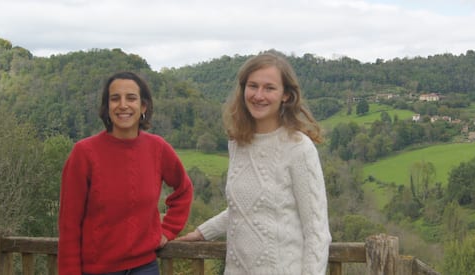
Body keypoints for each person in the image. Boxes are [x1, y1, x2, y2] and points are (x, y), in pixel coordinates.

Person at [176, 52, 332, 274]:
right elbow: (246, 207)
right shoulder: (238, 143)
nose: (259, 95)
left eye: (269, 88)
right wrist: (203, 232)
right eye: (253, 86)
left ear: (286, 95)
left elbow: (317, 231)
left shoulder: (299, 148)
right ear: (243, 90)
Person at [58, 71, 193, 275]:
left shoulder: (158, 148)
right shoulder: (84, 153)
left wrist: (168, 230)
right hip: (98, 270)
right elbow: (69, 225)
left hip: (145, 267)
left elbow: (184, 189)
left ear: (143, 106)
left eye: (131, 98)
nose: (123, 105)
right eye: (115, 99)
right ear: (107, 107)